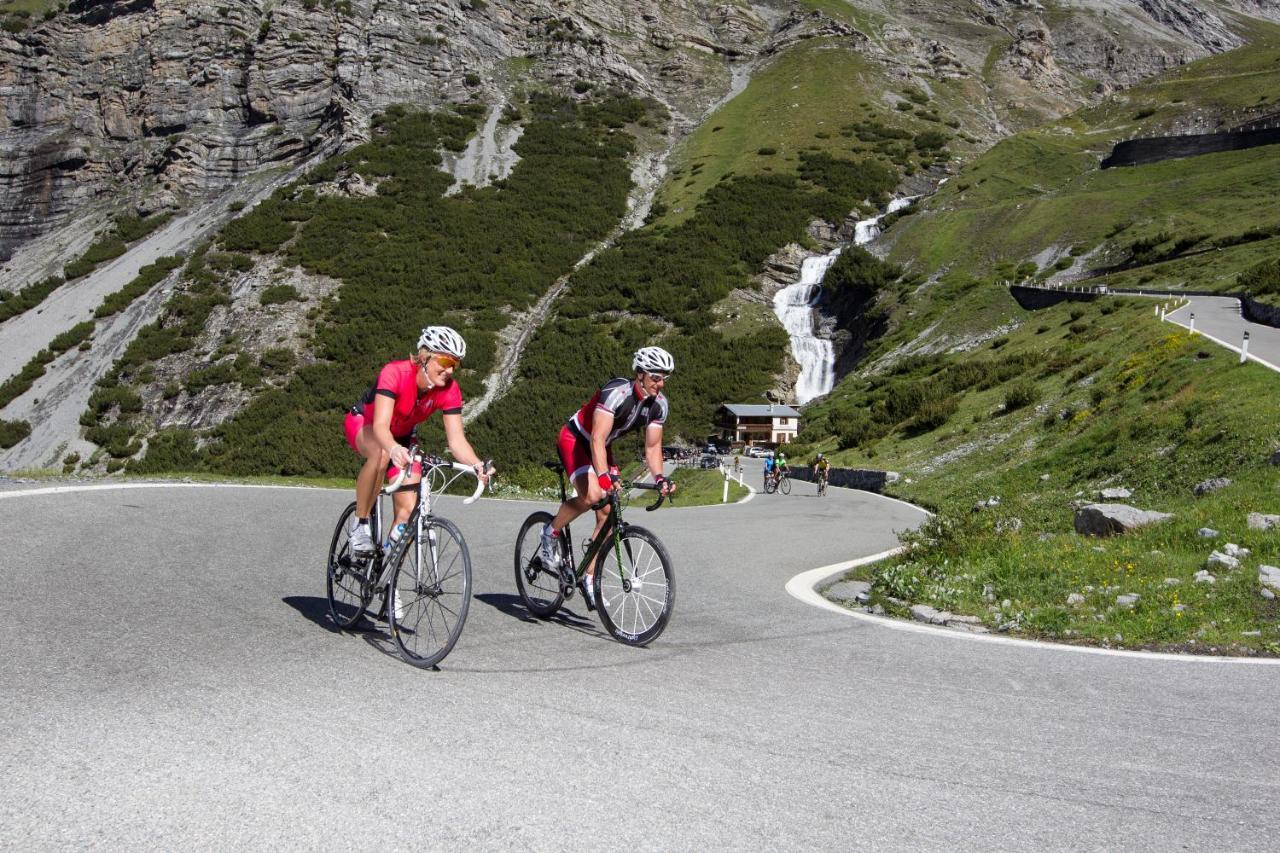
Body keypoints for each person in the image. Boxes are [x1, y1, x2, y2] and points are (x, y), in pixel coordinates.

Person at [540, 346, 677, 605]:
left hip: (602, 446)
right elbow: (597, 437)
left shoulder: (659, 405)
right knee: (592, 495)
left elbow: (652, 447)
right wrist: (603, 476)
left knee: (609, 514)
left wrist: (660, 477)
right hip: (577, 438)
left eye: (663, 379)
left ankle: (589, 575)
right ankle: (550, 531)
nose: (660, 384)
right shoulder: (617, 392)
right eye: (655, 378)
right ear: (640, 374)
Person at [343, 326, 491, 556]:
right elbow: (381, 427)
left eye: (455, 364)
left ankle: (385, 579)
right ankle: (360, 524)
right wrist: (392, 448)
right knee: (380, 454)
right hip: (366, 425)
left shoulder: (450, 390)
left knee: (410, 511)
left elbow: (456, 440)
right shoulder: (395, 373)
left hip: (402, 437)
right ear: (425, 356)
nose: (450, 370)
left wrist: (477, 464)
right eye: (445, 361)